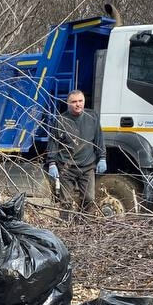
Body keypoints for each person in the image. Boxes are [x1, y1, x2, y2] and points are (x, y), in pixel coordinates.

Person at [45, 89, 107, 218]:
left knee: (89, 199)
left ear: (84, 102)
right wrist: (51, 163)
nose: (78, 104)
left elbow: (99, 139)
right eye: (74, 102)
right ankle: (65, 228)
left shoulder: (92, 117)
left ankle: (84, 228)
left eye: (80, 101)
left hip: (87, 166)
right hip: (66, 168)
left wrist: (102, 157)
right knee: (66, 202)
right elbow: (53, 144)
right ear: (68, 103)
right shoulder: (61, 120)